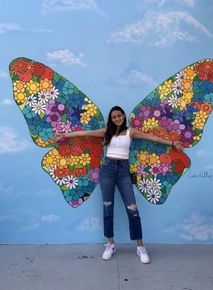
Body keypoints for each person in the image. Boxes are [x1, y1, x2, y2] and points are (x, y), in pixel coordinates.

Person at [52, 106, 184, 264]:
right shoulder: (107, 131)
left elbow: (152, 138)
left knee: (132, 208)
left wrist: (171, 143)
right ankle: (110, 244)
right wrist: (63, 135)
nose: (117, 119)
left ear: (123, 116)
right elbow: (84, 133)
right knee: (107, 207)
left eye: (119, 116)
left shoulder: (131, 132)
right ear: (111, 118)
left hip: (123, 171)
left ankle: (140, 246)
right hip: (107, 171)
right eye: (114, 117)